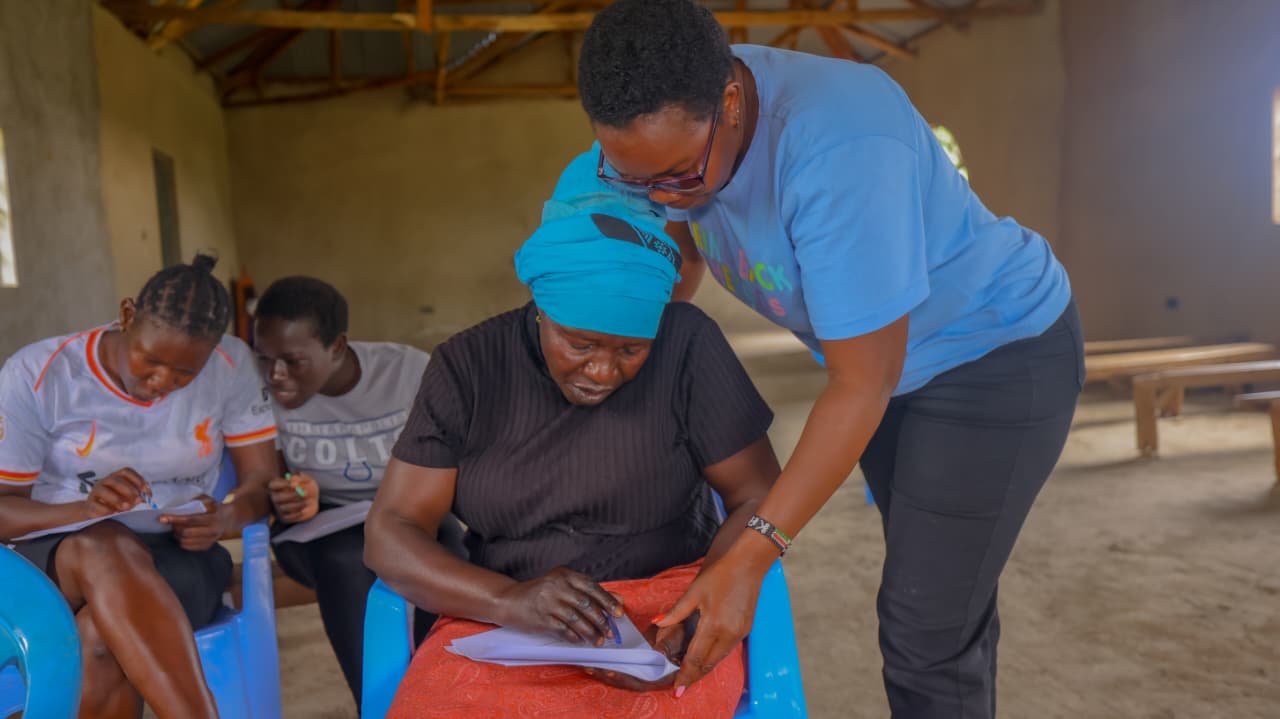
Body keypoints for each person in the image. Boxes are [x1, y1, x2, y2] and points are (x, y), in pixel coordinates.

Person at [577, 1, 1086, 715]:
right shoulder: (675, 117)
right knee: (940, 592)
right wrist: (630, 356)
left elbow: (862, 382)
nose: (662, 195)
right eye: (637, 179)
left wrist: (751, 554)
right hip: (889, 371)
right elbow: (674, 253)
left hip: (991, 357)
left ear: (730, 100)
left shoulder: (841, 146)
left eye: (680, 176)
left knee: (922, 630)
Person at [363, 160, 780, 718]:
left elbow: (759, 497)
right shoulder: (467, 366)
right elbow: (390, 533)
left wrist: (710, 600)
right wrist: (509, 599)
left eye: (631, 350)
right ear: (541, 309)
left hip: (670, 610)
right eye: (580, 344)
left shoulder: (686, 345)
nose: (603, 371)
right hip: (502, 617)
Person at [0, 254, 278, 719]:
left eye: (185, 373)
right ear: (127, 315)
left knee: (97, 639)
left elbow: (261, 485)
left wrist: (225, 517)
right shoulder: (40, 373)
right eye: (149, 360)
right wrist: (84, 511)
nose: (162, 382)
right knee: (103, 545)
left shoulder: (232, 366)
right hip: (52, 559)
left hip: (176, 559)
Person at [251, 275, 464, 706]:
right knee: (346, 561)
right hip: (318, 532)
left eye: (292, 360)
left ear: (336, 346)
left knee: (450, 557)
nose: (275, 375)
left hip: (411, 515)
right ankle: (380, 707)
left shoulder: (406, 372)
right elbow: (266, 479)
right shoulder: (258, 390)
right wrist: (290, 497)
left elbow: (455, 458)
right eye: (265, 358)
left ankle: (435, 698)